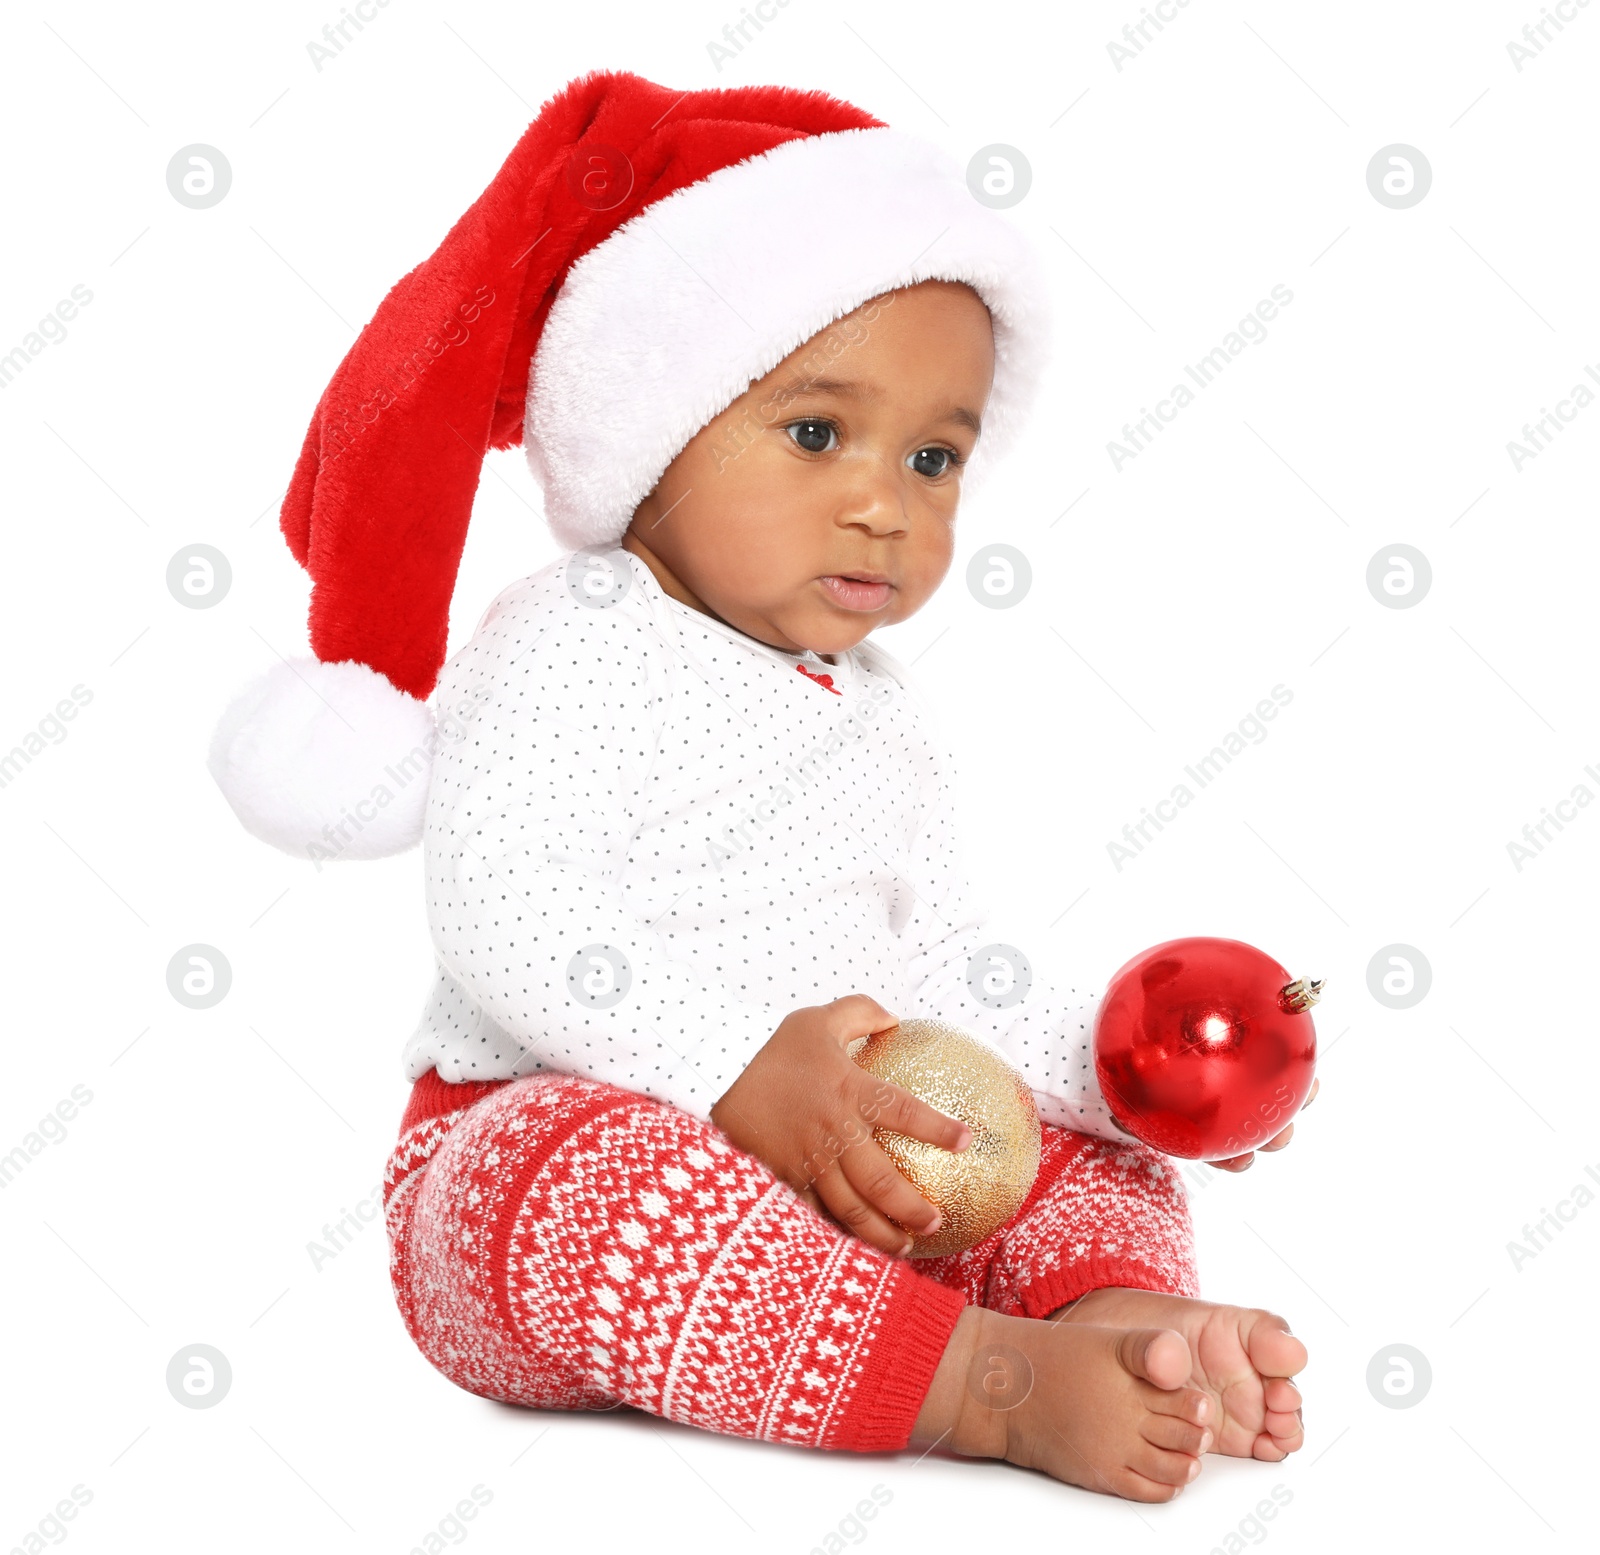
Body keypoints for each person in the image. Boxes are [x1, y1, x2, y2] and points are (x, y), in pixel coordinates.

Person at [210, 71, 1310, 1504]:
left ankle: (1106, 1318)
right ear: (648, 431)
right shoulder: (572, 638)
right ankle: (974, 1379)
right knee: (575, 1180)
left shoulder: (886, 720)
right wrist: (737, 1074)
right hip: (548, 1146)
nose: (883, 501)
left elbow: (943, 971)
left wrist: (1117, 1073)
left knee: (1086, 1162)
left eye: (933, 457)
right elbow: (511, 908)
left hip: (848, 1180)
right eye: (814, 434)